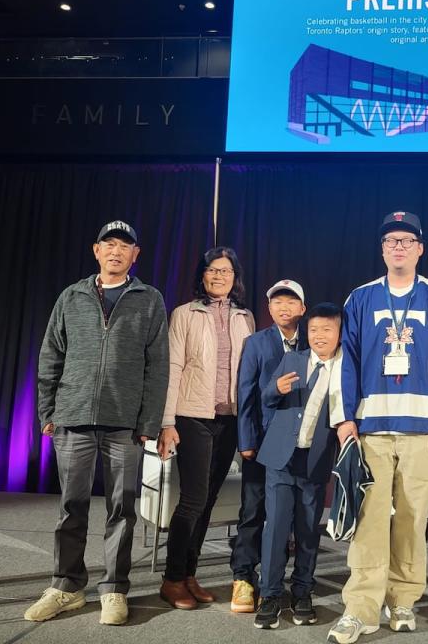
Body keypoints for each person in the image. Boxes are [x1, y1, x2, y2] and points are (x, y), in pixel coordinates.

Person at [328, 211, 428, 644]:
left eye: (407, 240)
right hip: (370, 427)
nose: (399, 247)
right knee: (369, 518)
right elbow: (345, 362)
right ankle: (361, 608)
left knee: (411, 520)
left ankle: (403, 598)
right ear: (383, 249)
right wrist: (344, 416)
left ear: (421, 248)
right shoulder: (361, 298)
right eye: (392, 241)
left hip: (424, 428)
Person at [26, 220, 168, 626]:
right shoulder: (72, 296)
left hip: (125, 424)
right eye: (109, 244)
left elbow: (157, 366)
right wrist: (47, 412)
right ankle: (67, 586)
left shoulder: (149, 298)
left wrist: (149, 422)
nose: (116, 251)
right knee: (71, 507)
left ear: (135, 255)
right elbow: (50, 354)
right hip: (72, 418)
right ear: (96, 251)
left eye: (125, 245)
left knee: (122, 509)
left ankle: (114, 589)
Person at [156, 247, 256, 610]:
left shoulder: (246, 316)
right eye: (213, 271)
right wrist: (167, 422)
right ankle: (171, 578)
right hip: (192, 415)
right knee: (193, 499)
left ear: (235, 278)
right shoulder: (185, 313)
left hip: (229, 419)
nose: (219, 276)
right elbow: (172, 368)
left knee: (209, 500)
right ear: (202, 275)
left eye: (226, 271)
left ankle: (189, 574)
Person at [253, 303, 345, 630]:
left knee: (308, 531)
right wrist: (274, 389)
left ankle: (303, 592)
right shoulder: (293, 359)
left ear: (339, 333)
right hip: (281, 458)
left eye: (327, 330)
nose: (319, 336)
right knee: (276, 528)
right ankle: (270, 595)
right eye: (314, 330)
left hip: (315, 461)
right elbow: (264, 397)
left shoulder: (345, 368)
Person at [230, 279, 308, 613]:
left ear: (302, 308)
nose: (283, 307)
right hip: (262, 443)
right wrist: (247, 440)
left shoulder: (314, 342)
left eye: (291, 302)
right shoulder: (256, 343)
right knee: (253, 510)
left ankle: (278, 582)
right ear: (269, 307)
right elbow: (245, 394)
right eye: (277, 301)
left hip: (299, 444)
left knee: (290, 516)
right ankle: (244, 578)